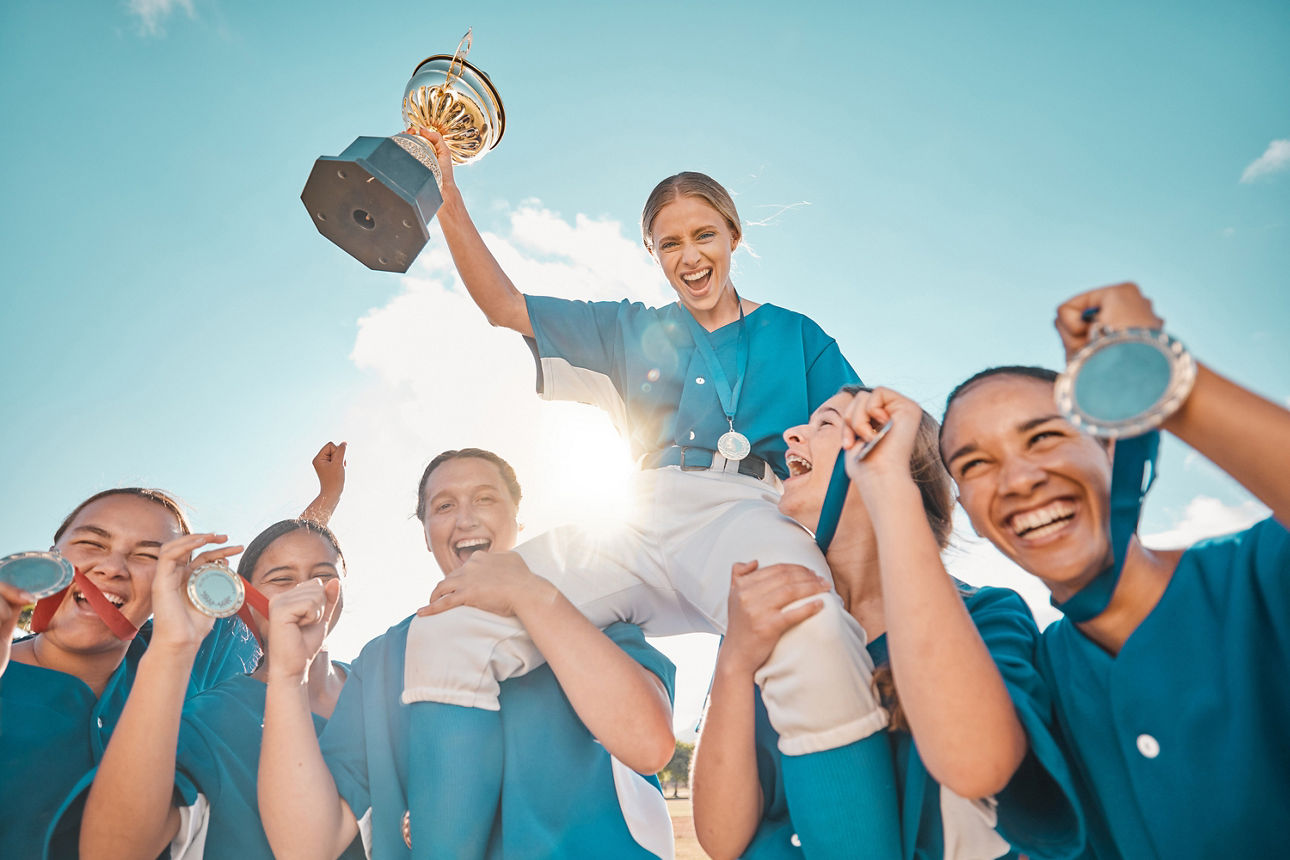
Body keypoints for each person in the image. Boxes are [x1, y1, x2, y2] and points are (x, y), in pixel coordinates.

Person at [399, 130, 897, 857]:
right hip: (632, 514)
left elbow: (855, 441)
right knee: (452, 622)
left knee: (810, 627)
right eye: (668, 244)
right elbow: (505, 306)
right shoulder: (631, 327)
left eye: (703, 235)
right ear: (654, 254)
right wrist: (446, 204)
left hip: (747, 511)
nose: (689, 256)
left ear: (734, 236)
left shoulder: (797, 335)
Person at [938, 282, 1290, 858]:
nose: (1019, 481)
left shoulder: (1257, 577)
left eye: (1045, 436)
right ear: (968, 513)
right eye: (975, 464)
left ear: (1108, 445)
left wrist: (1147, 369)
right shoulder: (1037, 680)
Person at [691, 386, 1086, 859]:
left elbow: (991, 777)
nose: (792, 434)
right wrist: (734, 660)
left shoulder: (983, 617)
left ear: (885, 452)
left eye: (825, 424)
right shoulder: (762, 618)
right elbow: (721, 840)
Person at [259, 448, 679, 859]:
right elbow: (307, 846)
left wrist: (527, 593)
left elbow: (648, 745)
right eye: (443, 506)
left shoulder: (592, 615)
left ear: (517, 517)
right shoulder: (382, 659)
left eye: (485, 498)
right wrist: (287, 675)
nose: (465, 519)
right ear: (425, 533)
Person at [78, 517, 364, 859]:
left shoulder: (381, 683)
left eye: (323, 576)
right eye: (282, 579)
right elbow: (113, 850)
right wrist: (172, 647)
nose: (306, 590)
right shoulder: (209, 717)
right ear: (244, 599)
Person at [0, 488, 259, 859]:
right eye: (92, 543)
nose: (112, 568)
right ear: (51, 558)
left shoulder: (188, 648)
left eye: (148, 555)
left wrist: (326, 497)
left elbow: (283, 580)